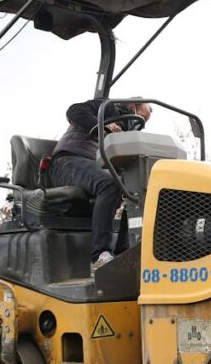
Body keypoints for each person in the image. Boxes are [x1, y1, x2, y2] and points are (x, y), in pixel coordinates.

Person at [50, 98, 152, 272]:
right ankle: (99, 256)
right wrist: (102, 127)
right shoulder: (107, 107)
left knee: (136, 188)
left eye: (144, 123)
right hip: (68, 161)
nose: (139, 124)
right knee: (109, 184)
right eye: (140, 117)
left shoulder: (127, 131)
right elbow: (74, 110)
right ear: (132, 107)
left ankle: (125, 251)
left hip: (95, 167)